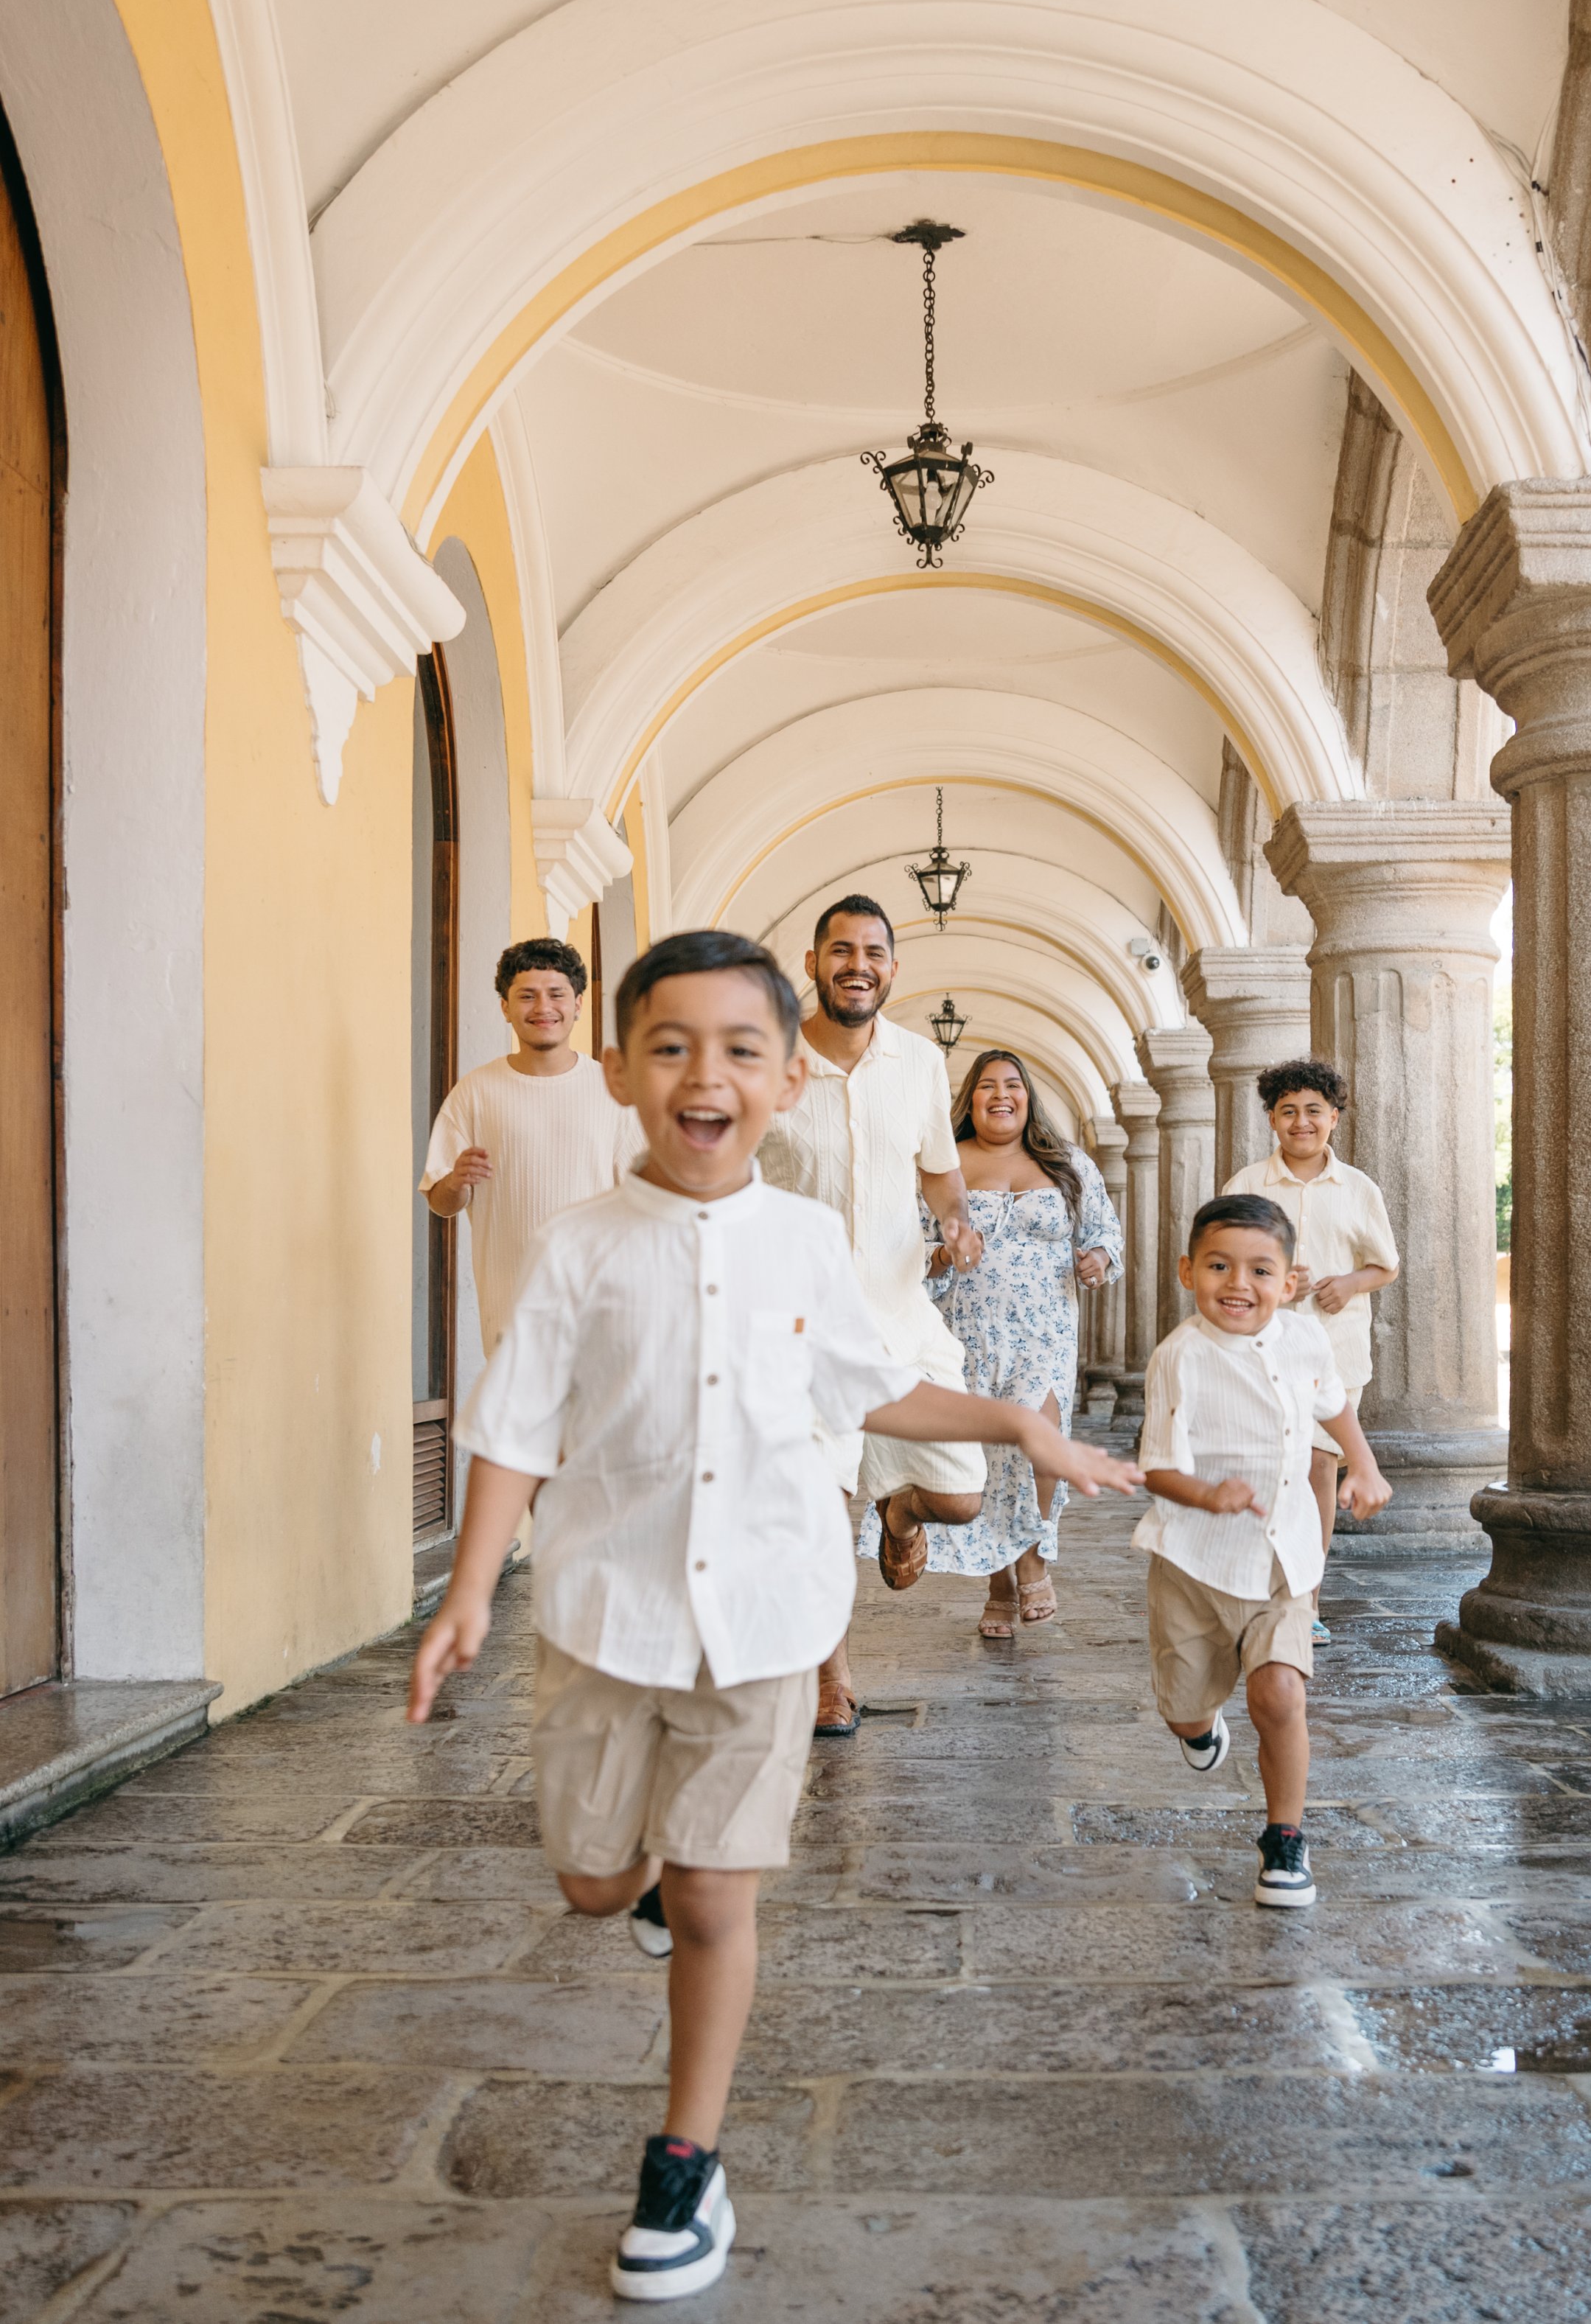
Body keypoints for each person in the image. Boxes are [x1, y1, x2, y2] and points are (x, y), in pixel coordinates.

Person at [407, 929, 1141, 2303]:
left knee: (713, 1896)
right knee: (590, 1880)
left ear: (788, 1080)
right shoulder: (575, 1251)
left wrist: (1013, 1424)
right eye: (673, 1046)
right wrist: (461, 1601)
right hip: (604, 1615)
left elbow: (871, 1387)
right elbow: (507, 1431)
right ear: (621, 1070)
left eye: (743, 1048)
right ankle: (632, 1883)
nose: (708, 1074)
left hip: (763, 1614)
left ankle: (685, 2160)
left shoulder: (805, 1243)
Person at [758, 896, 987, 1735]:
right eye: (842, 950)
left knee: (959, 1497)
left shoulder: (921, 1062)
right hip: (802, 1327)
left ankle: (900, 1510)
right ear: (813, 962)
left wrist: (956, 1220)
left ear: (894, 967)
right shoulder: (771, 1059)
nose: (859, 964)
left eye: (875, 952)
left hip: (900, 1316)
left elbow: (937, 1171)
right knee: (823, 1508)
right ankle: (832, 1678)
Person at [1135, 1194, 1390, 1908]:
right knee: (1184, 1705)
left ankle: (1284, 1838)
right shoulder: (1177, 1357)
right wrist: (1204, 1492)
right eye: (1218, 1265)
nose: (1238, 1283)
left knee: (1279, 1693)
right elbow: (1155, 1467)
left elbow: (1333, 1402)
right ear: (1188, 1271)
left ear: (1288, 1279)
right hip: (1195, 1563)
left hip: (1283, 1558)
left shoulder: (1306, 1339)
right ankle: (1196, 1726)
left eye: (1259, 1269)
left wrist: (1363, 1465)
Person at [921, 1049, 1122, 1639]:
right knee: (987, 1458)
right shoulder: (944, 1167)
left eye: (1012, 1085)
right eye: (987, 1086)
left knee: (1039, 1446)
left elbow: (1105, 1231)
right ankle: (998, 1582)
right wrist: (940, 1253)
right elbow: (911, 1243)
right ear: (970, 1099)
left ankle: (1030, 1559)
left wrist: (1097, 1259)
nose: (1001, 1094)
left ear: (1029, 1097)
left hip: (1045, 1331)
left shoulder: (1068, 1165)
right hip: (969, 1332)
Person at [1222, 1058, 1398, 1642]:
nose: (1302, 1121)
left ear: (1335, 1119)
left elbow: (1384, 1265)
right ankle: (1259, 1585)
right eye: (1288, 1110)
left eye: (1314, 1111)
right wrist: (1268, 1278)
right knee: (1273, 1466)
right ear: (1272, 1118)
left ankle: (1307, 1598)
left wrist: (1349, 1283)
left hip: (1335, 1348)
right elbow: (1217, 1260)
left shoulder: (1359, 1189)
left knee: (1321, 1467)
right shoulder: (1247, 1185)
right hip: (1260, 1349)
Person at [422, 937, 644, 1354]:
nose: (543, 1008)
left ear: (578, 1003)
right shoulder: (475, 1092)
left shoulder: (613, 1090)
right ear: (505, 1007)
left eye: (556, 994)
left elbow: (645, 1198)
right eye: (526, 996)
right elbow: (440, 1202)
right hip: (511, 1315)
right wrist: (456, 1181)